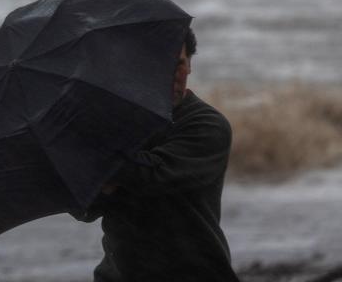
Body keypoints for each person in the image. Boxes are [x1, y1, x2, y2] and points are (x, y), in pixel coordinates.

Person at [72, 27, 240, 282]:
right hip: (118, 274)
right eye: (158, 64)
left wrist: (98, 158)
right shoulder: (119, 126)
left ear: (190, 66)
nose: (170, 75)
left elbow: (154, 174)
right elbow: (85, 209)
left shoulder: (207, 125)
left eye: (179, 65)